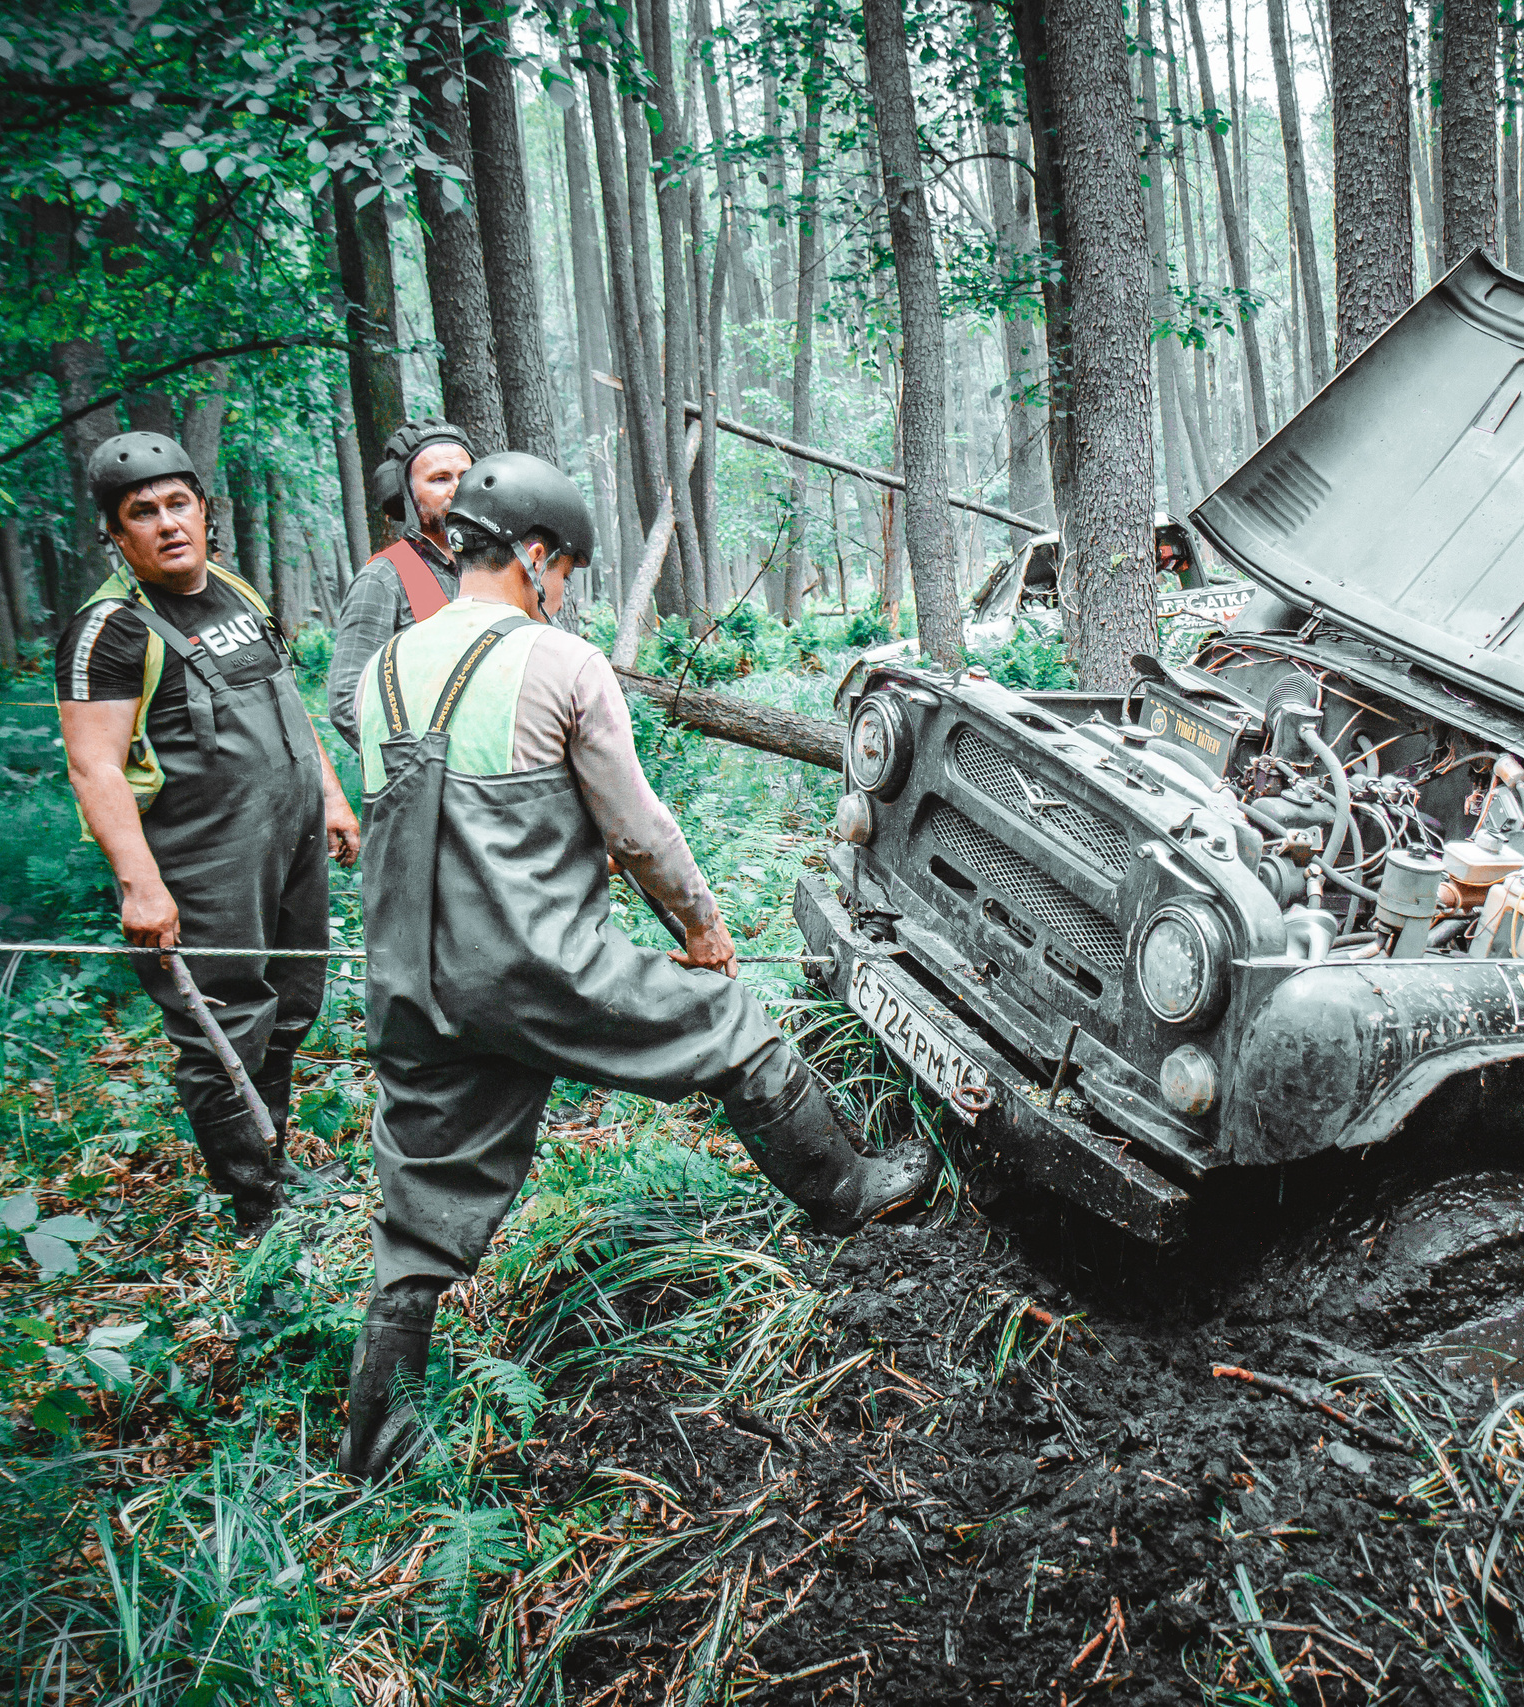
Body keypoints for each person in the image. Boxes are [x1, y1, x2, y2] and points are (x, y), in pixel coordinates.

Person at [340, 451, 936, 1478]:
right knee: (728, 1026)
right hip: (538, 968)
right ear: (533, 556)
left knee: (424, 1200)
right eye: (564, 571)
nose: (563, 593)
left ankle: (379, 1435)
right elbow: (639, 832)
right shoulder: (564, 664)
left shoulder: (379, 673)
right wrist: (701, 927)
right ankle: (850, 1193)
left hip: (411, 980)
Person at [55, 431, 362, 1235]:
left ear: (204, 510)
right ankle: (255, 1206)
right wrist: (139, 883)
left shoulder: (234, 589)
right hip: (203, 857)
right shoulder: (109, 631)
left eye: (178, 503)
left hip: (289, 837)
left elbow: (283, 697)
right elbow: (94, 767)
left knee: (294, 1000)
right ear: (117, 536)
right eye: (142, 512)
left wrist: (329, 793)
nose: (167, 523)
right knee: (224, 1021)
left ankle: (275, 1153)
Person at [326, 418, 474, 755]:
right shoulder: (382, 580)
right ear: (405, 493)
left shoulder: (493, 567)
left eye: (466, 477)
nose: (457, 489)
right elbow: (348, 699)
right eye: (440, 479)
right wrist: (416, 768)